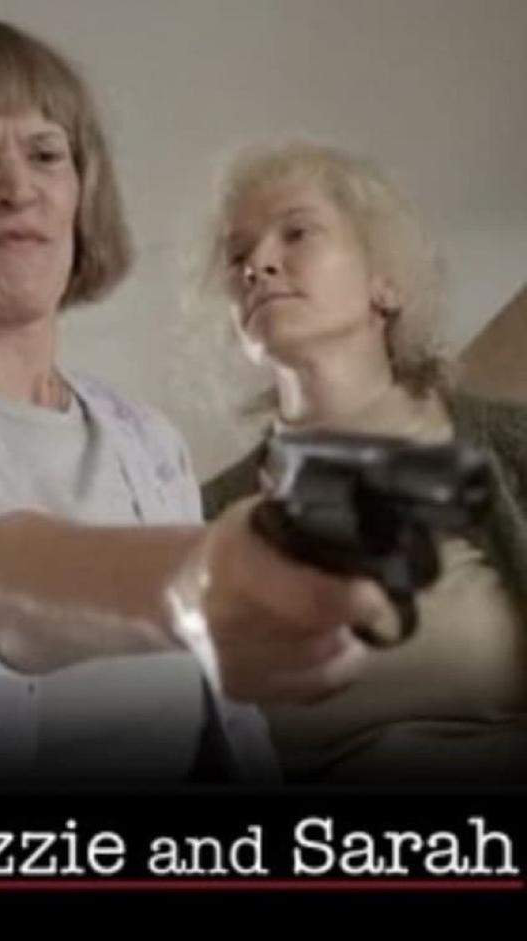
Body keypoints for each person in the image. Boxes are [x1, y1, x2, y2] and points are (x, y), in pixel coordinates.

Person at [0, 14, 385, 787]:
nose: (18, 189)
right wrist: (206, 576)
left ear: (80, 193)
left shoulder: (147, 440)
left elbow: (232, 728)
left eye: (46, 154)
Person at [198, 141, 527, 784]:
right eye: (238, 256)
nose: (258, 265)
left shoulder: (514, 447)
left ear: (386, 282)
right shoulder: (201, 514)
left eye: (297, 233)